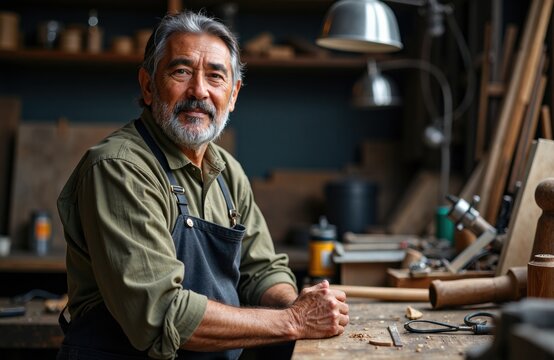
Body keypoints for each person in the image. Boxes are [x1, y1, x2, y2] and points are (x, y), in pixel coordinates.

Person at [56, 10, 349, 360]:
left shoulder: (227, 172)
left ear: (234, 94)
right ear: (148, 85)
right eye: (181, 71)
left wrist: (298, 302)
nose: (199, 91)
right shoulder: (119, 169)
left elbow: (262, 270)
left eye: (215, 76)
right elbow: (160, 314)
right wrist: (294, 320)